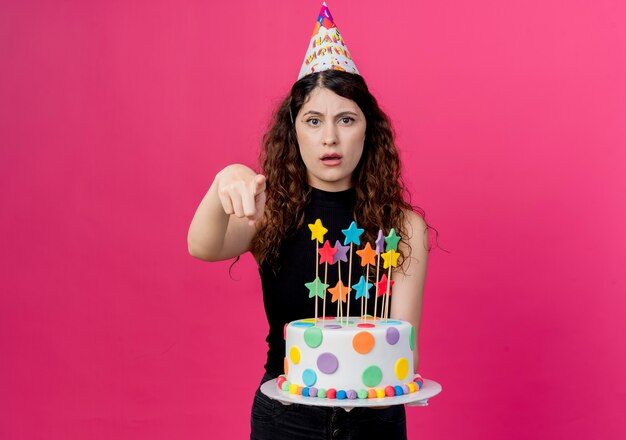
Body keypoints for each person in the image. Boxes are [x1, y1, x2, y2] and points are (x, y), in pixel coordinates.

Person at [188, 4, 428, 439]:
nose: (329, 138)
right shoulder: (270, 213)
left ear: (368, 130)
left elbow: (399, 344)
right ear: (293, 130)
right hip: (284, 415)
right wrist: (223, 181)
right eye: (313, 121)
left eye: (346, 120)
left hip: (376, 417)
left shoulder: (402, 226)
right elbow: (202, 247)